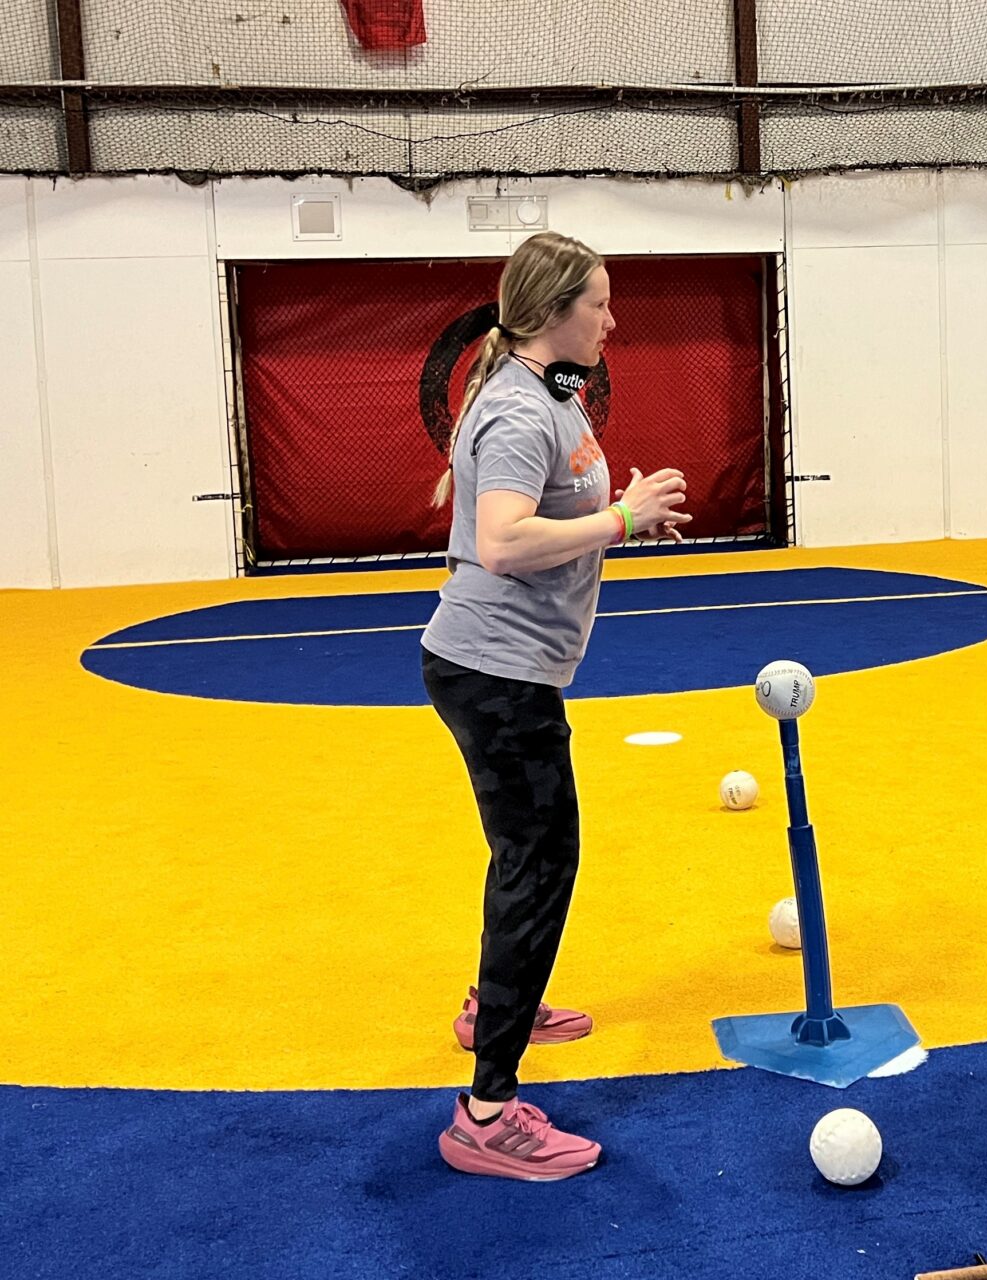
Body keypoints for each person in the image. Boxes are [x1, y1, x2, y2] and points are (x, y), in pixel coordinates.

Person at [421, 231, 691, 1177]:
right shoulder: (517, 410)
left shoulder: (546, 395)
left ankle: (496, 1001)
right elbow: (498, 542)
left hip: (505, 668)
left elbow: (545, 517)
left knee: (528, 856)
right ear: (550, 313)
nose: (613, 320)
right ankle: (487, 1114)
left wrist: (622, 510)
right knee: (541, 864)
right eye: (600, 305)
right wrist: (619, 518)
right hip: (496, 673)